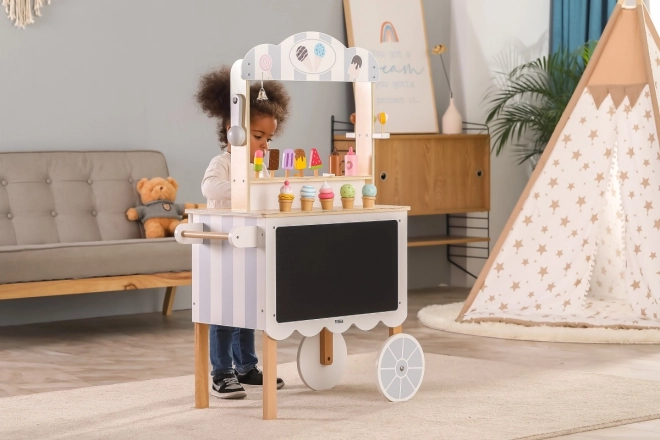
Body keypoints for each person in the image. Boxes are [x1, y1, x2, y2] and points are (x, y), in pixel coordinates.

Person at [196, 66, 291, 399]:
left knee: (248, 308)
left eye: (268, 138)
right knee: (223, 312)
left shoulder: (259, 165)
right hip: (223, 245)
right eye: (257, 136)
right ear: (232, 130)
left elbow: (262, 193)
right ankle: (221, 372)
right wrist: (242, 186)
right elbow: (210, 187)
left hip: (250, 243)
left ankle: (246, 366)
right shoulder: (222, 163)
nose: (263, 144)